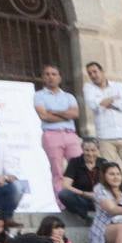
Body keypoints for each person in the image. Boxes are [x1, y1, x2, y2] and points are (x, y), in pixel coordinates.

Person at [35, 64, 82, 195]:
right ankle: (61, 201)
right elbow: (44, 116)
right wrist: (65, 115)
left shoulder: (69, 96)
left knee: (79, 166)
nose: (51, 77)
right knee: (57, 170)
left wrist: (53, 112)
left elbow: (75, 114)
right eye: (47, 74)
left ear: (59, 77)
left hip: (70, 135)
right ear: (43, 78)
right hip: (51, 135)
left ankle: (80, 197)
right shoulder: (39, 95)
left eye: (54, 74)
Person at [83, 62, 122, 167]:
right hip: (105, 137)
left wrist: (104, 103)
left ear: (102, 72)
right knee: (109, 168)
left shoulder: (119, 86)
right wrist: (113, 99)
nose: (93, 75)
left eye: (95, 72)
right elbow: (94, 106)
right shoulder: (88, 88)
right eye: (90, 73)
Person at [59, 137, 103, 217]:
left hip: (100, 198)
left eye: (93, 150)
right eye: (87, 150)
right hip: (81, 198)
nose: (90, 154)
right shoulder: (74, 162)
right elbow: (65, 185)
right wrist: (84, 193)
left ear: (98, 150)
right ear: (82, 149)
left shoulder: (103, 163)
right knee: (64, 194)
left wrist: (97, 195)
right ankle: (86, 215)